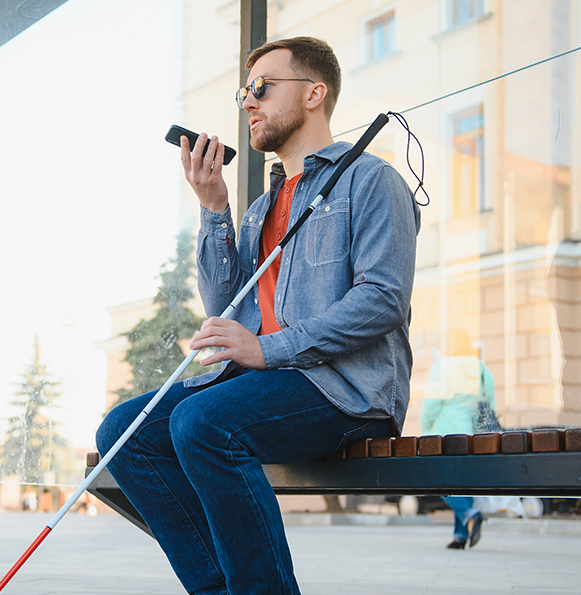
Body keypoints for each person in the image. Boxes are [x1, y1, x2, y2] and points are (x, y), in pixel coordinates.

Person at [97, 36, 419, 595]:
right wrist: (213, 208)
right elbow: (226, 307)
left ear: (314, 93)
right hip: (264, 385)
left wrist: (267, 349)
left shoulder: (371, 181)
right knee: (124, 430)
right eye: (245, 91)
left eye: (262, 88)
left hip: (343, 390)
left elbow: (383, 299)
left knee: (203, 423)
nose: (248, 102)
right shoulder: (261, 208)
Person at [419, 328, 497, 550]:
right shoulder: (482, 370)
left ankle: (470, 515)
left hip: (442, 435)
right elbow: (491, 406)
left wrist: (425, 426)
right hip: (469, 436)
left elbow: (431, 405)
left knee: (436, 481)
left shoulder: (442, 368)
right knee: (462, 485)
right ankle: (460, 535)